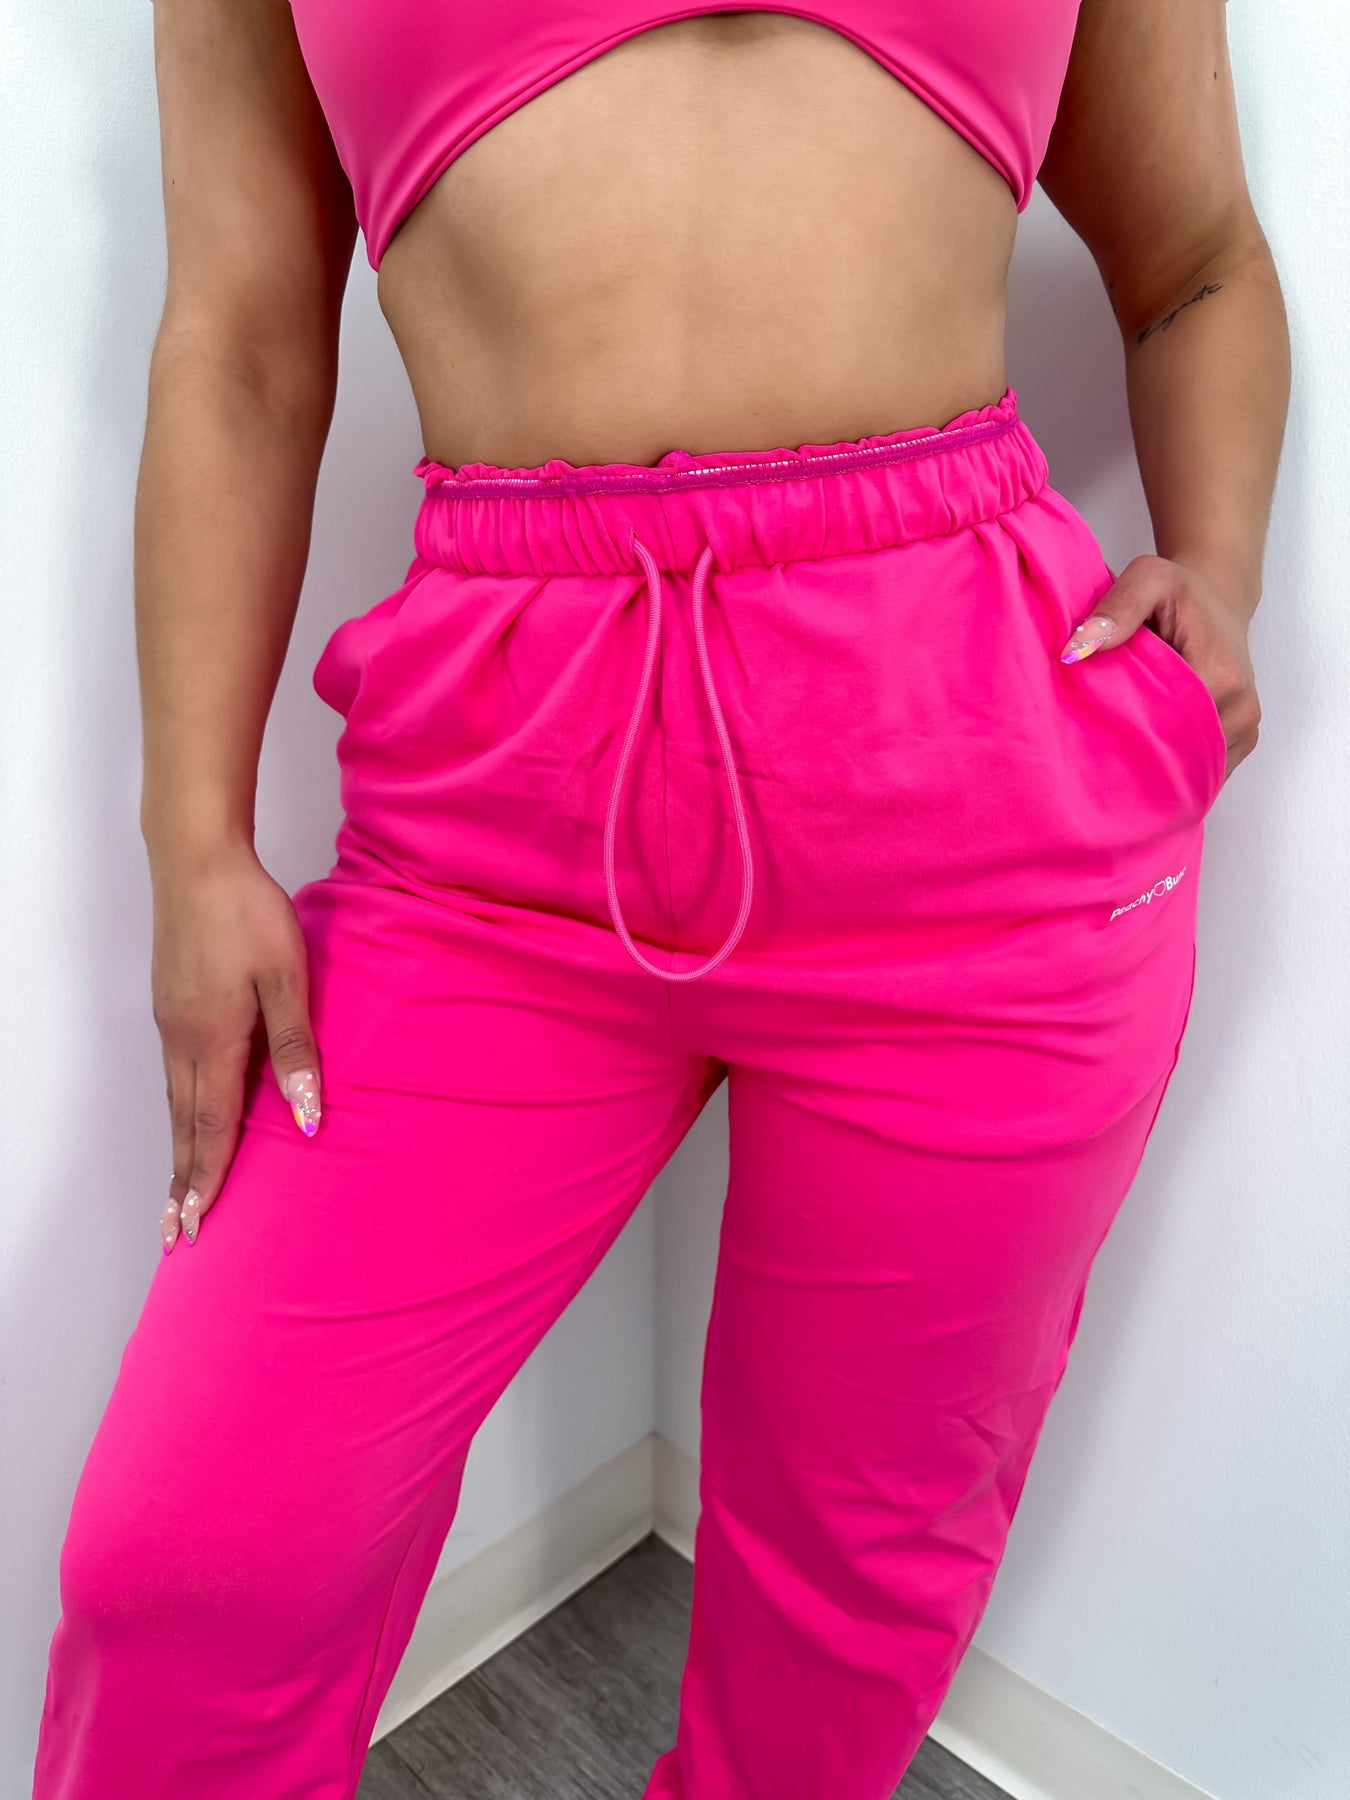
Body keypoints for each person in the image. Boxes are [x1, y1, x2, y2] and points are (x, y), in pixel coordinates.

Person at [33, 1, 1287, 1796]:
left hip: (979, 797)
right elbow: (238, 339)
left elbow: (1195, 262)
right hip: (488, 836)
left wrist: (1218, 573)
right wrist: (192, 846)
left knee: (842, 1604)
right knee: (189, 1570)